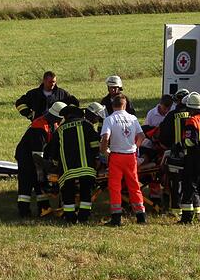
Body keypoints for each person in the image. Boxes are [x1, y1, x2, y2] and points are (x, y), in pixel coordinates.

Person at [159, 93, 200, 224]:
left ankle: (186, 218)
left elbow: (191, 142)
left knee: (189, 189)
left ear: (191, 109)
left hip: (194, 162)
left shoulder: (192, 121)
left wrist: (180, 145)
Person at [44, 105, 99, 224]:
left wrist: (55, 164)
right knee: (86, 191)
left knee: (68, 193)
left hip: (67, 170)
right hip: (86, 168)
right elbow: (95, 144)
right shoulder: (86, 125)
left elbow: (52, 151)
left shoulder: (60, 129)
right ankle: (84, 216)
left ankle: (70, 217)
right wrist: (96, 158)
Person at [100, 94, 146, 226]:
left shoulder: (109, 119)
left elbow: (105, 138)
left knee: (115, 186)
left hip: (116, 156)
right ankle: (140, 215)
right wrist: (134, 147)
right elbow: (142, 136)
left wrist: (104, 151)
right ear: (124, 105)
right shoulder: (132, 118)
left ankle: (116, 217)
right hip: (130, 156)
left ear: (112, 105)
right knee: (134, 185)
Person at [14, 102, 65, 217]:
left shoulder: (51, 123)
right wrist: (41, 174)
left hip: (36, 156)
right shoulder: (40, 127)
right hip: (26, 158)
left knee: (38, 184)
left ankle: (44, 209)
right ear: (56, 116)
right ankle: (24, 212)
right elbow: (37, 156)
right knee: (26, 184)